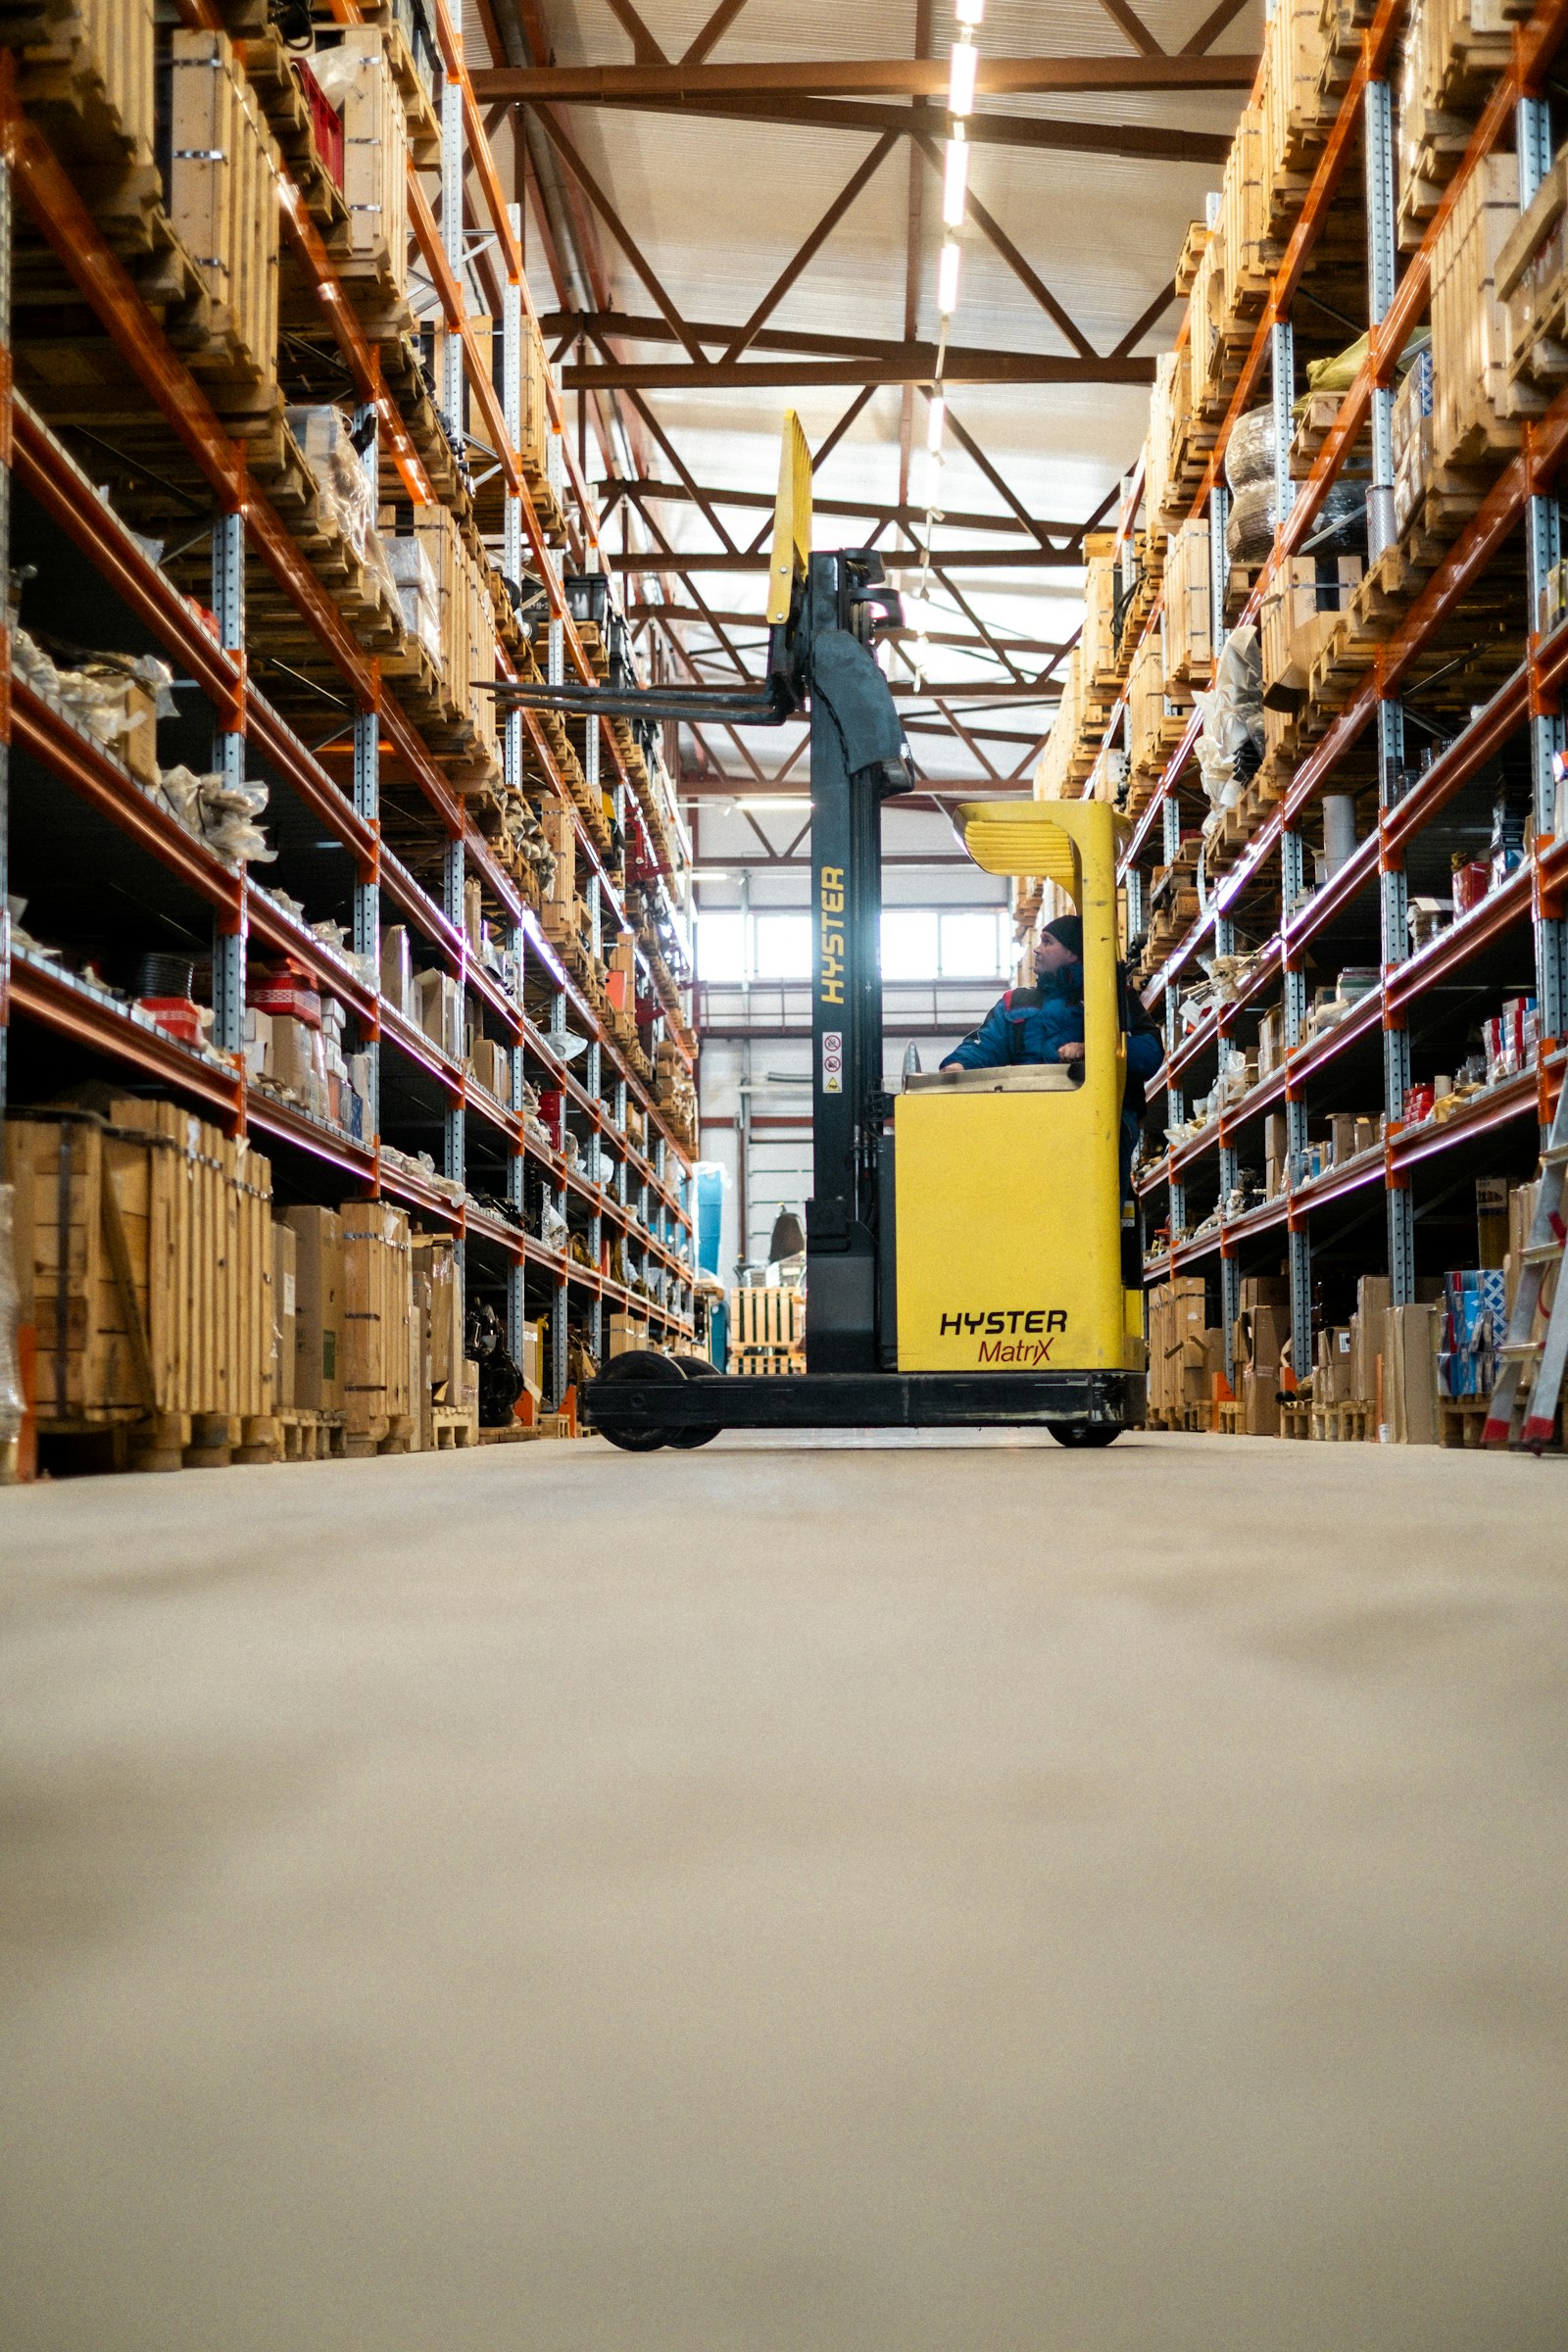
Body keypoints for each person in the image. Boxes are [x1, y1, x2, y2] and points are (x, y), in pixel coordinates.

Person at [940, 914, 1164, 1199]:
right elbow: (985, 1045)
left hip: (1099, 1120)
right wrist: (958, 1065)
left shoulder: (1111, 997)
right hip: (1030, 1117)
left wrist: (1094, 1050)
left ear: (1072, 953)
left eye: (1047, 942)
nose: (1037, 948)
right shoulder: (1015, 1002)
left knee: (1096, 1194)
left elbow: (1150, 1051)